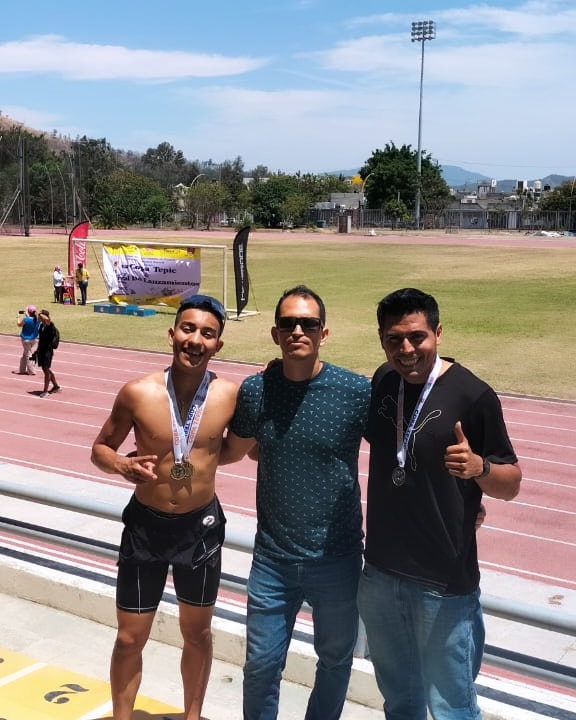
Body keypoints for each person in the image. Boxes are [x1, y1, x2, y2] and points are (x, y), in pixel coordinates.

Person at [357, 287, 522, 720]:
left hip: (443, 584)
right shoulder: (383, 380)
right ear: (381, 340)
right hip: (379, 573)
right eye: (394, 339)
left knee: (452, 708)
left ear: (438, 333)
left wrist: (478, 469)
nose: (407, 350)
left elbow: (512, 483)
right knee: (400, 702)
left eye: (417, 337)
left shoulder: (473, 396)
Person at [220, 285, 371, 720]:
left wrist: (465, 493)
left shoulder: (354, 391)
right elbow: (232, 448)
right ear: (275, 334)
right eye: (288, 323)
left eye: (308, 323)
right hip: (273, 561)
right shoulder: (256, 391)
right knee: (262, 665)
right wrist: (176, 455)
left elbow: (401, 443)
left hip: (338, 558)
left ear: (324, 333)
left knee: (336, 662)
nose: (298, 330)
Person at [91, 295, 237, 720]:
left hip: (200, 528)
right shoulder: (138, 393)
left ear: (218, 345)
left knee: (198, 634)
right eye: (188, 329)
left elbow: (235, 449)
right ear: (172, 333)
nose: (195, 340)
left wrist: (201, 460)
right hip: (146, 528)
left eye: (207, 334)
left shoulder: (229, 396)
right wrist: (120, 464)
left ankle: (192, 717)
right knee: (129, 639)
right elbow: (100, 448)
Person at [36, 309, 61, 397]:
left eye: (40, 316)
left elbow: (48, 320)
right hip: (42, 350)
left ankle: (45, 391)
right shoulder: (42, 326)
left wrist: (40, 314)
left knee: (46, 370)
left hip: (48, 351)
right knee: (45, 369)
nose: (39, 317)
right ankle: (56, 386)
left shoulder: (50, 326)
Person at [14, 305, 39, 375]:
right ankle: (21, 370)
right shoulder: (37, 319)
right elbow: (32, 319)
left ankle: (31, 371)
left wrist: (18, 317)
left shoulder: (26, 319)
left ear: (28, 312)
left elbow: (19, 324)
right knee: (25, 354)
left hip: (26, 340)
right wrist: (27, 315)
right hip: (33, 339)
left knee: (28, 355)